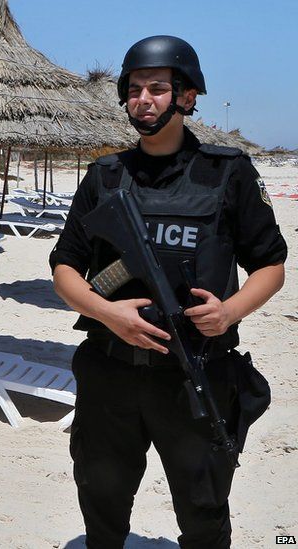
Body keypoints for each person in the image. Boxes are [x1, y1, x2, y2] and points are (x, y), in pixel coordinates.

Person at [50, 36, 286, 548]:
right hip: (111, 370)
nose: (144, 99)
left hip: (195, 372)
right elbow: (64, 267)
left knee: (204, 512)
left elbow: (270, 265)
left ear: (187, 96)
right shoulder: (105, 176)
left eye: (158, 88)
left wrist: (230, 312)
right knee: (102, 502)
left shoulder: (228, 173)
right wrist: (106, 312)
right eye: (134, 89)